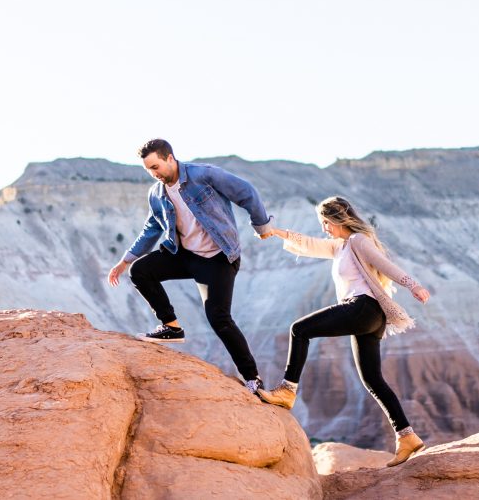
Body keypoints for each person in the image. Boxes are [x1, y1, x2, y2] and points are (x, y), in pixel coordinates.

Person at [257, 196, 431, 467]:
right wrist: (276, 232)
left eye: (325, 222)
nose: (323, 228)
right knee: (372, 379)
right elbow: (308, 244)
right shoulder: (339, 246)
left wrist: (413, 285)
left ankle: (287, 390)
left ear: (337, 219)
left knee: (299, 330)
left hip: (362, 309)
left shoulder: (358, 241)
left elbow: (385, 264)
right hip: (369, 317)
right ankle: (407, 436)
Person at [107, 139, 274, 395]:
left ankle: (253, 378)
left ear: (170, 158)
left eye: (156, 166)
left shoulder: (202, 175)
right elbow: (152, 229)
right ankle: (171, 327)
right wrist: (126, 259)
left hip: (218, 258)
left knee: (219, 319)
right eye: (149, 170)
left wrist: (261, 226)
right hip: (184, 255)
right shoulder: (157, 193)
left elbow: (246, 192)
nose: (154, 173)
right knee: (140, 271)